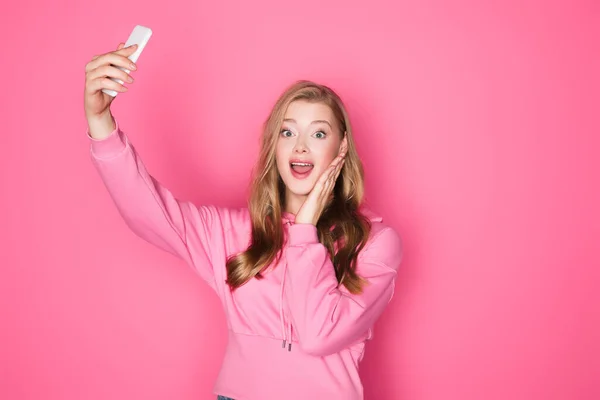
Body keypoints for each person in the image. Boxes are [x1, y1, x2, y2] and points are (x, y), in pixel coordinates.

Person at [84, 42, 403, 400]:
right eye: (287, 132)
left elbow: (319, 336)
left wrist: (304, 229)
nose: (300, 147)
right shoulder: (230, 233)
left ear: (341, 148)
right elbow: (147, 210)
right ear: (274, 146)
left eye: (318, 133)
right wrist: (101, 123)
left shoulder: (374, 243)